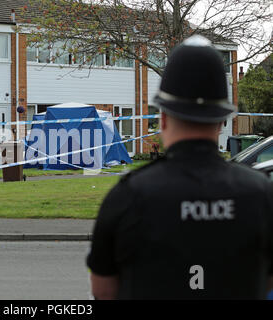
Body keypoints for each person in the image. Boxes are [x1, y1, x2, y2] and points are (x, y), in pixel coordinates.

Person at [87, 35, 273, 300]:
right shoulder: (262, 195)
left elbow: (104, 292)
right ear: (221, 122)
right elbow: (266, 282)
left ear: (162, 118)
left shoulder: (128, 196)